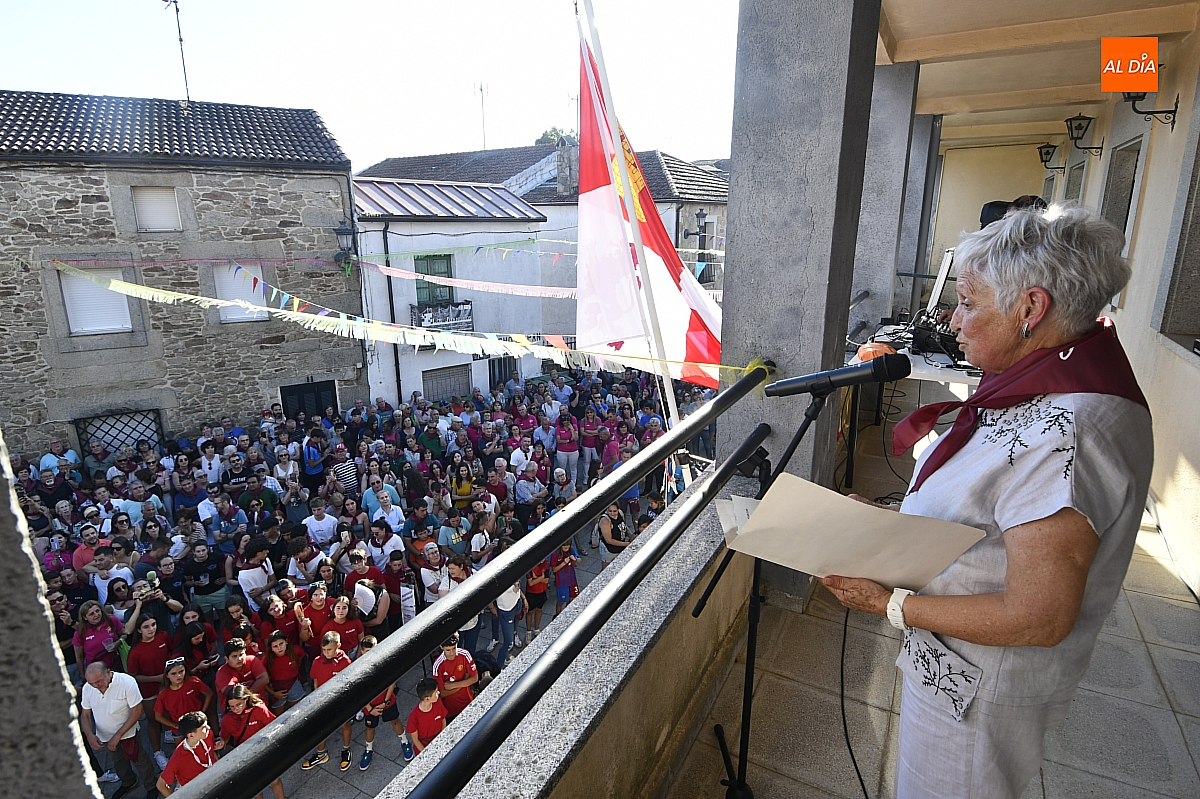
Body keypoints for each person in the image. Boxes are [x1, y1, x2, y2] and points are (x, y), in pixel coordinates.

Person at [819, 206, 1154, 799]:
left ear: (1031, 308)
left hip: (982, 693)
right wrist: (895, 521)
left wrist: (888, 604)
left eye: (969, 302)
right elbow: (994, 518)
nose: (953, 319)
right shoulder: (1043, 383)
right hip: (955, 670)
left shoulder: (1068, 432)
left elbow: (1040, 615)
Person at [81, 662, 160, 798]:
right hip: (104, 736)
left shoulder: (126, 682)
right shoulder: (88, 688)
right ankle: (129, 782)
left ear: (108, 672)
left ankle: (152, 786)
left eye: (98, 681)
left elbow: (138, 710)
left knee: (140, 760)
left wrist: (118, 736)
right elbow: (85, 714)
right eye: (92, 683)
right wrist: (89, 734)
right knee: (118, 762)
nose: (95, 686)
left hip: (129, 734)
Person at [215, 686, 285, 799]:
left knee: (274, 780)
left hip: (264, 749)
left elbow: (274, 726)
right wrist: (221, 743)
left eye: (238, 705)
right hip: (245, 755)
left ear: (246, 699)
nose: (235, 709)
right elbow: (225, 737)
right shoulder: (227, 719)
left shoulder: (259, 709)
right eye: (231, 706)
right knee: (255, 785)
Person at [301, 631, 355, 772]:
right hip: (324, 700)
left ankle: (346, 749)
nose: (326, 653)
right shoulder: (317, 661)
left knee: (345, 725)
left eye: (329, 649)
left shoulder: (346, 662)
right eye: (324, 650)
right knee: (322, 728)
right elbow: (316, 683)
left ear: (338, 646)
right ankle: (321, 754)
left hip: (340, 701)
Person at [124, 614, 172, 769]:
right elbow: (132, 676)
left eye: (153, 624)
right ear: (139, 630)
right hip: (149, 691)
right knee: (152, 721)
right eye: (146, 626)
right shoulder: (135, 652)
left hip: (168, 685)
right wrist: (155, 678)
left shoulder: (163, 637)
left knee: (169, 713)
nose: (151, 629)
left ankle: (170, 734)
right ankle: (157, 753)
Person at [354, 635, 404, 770]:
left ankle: (405, 743)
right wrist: (370, 709)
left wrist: (386, 702)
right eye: (368, 651)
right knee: (370, 727)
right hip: (370, 706)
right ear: (362, 651)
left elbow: (392, 682)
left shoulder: (385, 662)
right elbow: (360, 692)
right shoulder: (358, 669)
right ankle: (368, 749)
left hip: (387, 702)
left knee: (395, 721)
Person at [155, 711, 215, 796]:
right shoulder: (178, 758)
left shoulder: (207, 735)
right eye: (203, 728)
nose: (208, 728)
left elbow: (211, 753)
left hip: (212, 780)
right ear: (191, 735)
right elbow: (160, 785)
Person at [154, 659, 214, 740]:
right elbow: (158, 716)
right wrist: (175, 725)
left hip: (197, 723)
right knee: (183, 750)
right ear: (167, 675)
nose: (178, 676)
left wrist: (202, 712)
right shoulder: (163, 694)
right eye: (173, 673)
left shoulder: (193, 681)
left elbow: (209, 693)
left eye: (181, 671)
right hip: (179, 729)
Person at [214, 637, 268, 712]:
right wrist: (253, 686)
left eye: (241, 654)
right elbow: (233, 695)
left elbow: (265, 679)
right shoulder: (222, 673)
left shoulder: (252, 660)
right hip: (235, 713)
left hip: (258, 706)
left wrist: (246, 694)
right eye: (234, 656)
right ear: (226, 658)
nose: (239, 659)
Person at [432, 633, 478, 721]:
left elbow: (475, 678)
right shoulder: (437, 666)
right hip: (449, 710)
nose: (452, 653)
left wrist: (453, 685)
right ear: (441, 647)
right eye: (448, 650)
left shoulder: (465, 654)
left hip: (467, 702)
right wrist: (463, 683)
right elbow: (441, 694)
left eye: (454, 648)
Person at [73, 599, 123, 671]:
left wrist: (117, 643)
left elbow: (124, 634)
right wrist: (82, 675)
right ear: (85, 617)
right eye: (91, 614)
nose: (96, 615)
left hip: (116, 664)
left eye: (97, 611)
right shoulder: (80, 633)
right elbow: (79, 656)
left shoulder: (111, 620)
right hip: (96, 669)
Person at [405, 677, 448, 759]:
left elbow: (443, 720)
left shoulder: (438, 703)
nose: (438, 693)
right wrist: (427, 754)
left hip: (440, 740)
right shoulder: (414, 717)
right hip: (424, 747)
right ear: (427, 698)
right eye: (435, 693)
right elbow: (416, 740)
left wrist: (442, 739)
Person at [264, 630, 306, 712]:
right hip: (276, 688)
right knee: (279, 716)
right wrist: (273, 693)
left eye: (281, 644)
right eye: (275, 646)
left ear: (286, 641)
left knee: (299, 711)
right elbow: (262, 680)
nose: (279, 648)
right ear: (271, 648)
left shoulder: (295, 651)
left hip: (294, 684)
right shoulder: (267, 660)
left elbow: (300, 657)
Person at [598, 502, 635, 570]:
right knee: (605, 569)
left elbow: (623, 525)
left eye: (615, 511)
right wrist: (626, 544)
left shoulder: (620, 513)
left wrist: (630, 535)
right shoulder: (605, 520)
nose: (612, 513)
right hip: (609, 549)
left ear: (618, 509)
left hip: (620, 545)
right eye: (610, 511)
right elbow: (608, 540)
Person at [549, 541, 580, 615]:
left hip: (572, 580)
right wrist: (564, 563)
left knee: (572, 599)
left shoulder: (571, 550)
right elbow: (554, 569)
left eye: (568, 546)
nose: (566, 548)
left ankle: (567, 615)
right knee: (561, 601)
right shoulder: (555, 554)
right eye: (564, 546)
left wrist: (575, 559)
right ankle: (557, 616)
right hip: (561, 582)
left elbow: (580, 560)